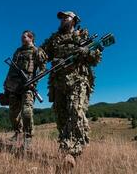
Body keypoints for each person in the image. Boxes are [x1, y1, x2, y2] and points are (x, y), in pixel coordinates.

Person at [41, 11, 102, 157]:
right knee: (61, 115)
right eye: (61, 18)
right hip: (57, 82)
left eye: (65, 17)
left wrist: (85, 51)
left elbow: (96, 58)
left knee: (75, 111)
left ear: (74, 20)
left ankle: (74, 150)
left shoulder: (82, 36)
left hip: (78, 79)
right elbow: (42, 54)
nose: (62, 20)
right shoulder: (54, 39)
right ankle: (65, 147)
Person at [4, 30, 47, 150]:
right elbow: (12, 69)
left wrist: (33, 81)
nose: (22, 39)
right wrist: (6, 84)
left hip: (28, 86)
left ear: (31, 38)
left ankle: (28, 137)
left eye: (24, 37)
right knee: (13, 114)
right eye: (21, 37)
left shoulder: (37, 51)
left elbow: (43, 69)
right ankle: (18, 133)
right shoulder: (18, 51)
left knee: (27, 112)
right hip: (14, 86)